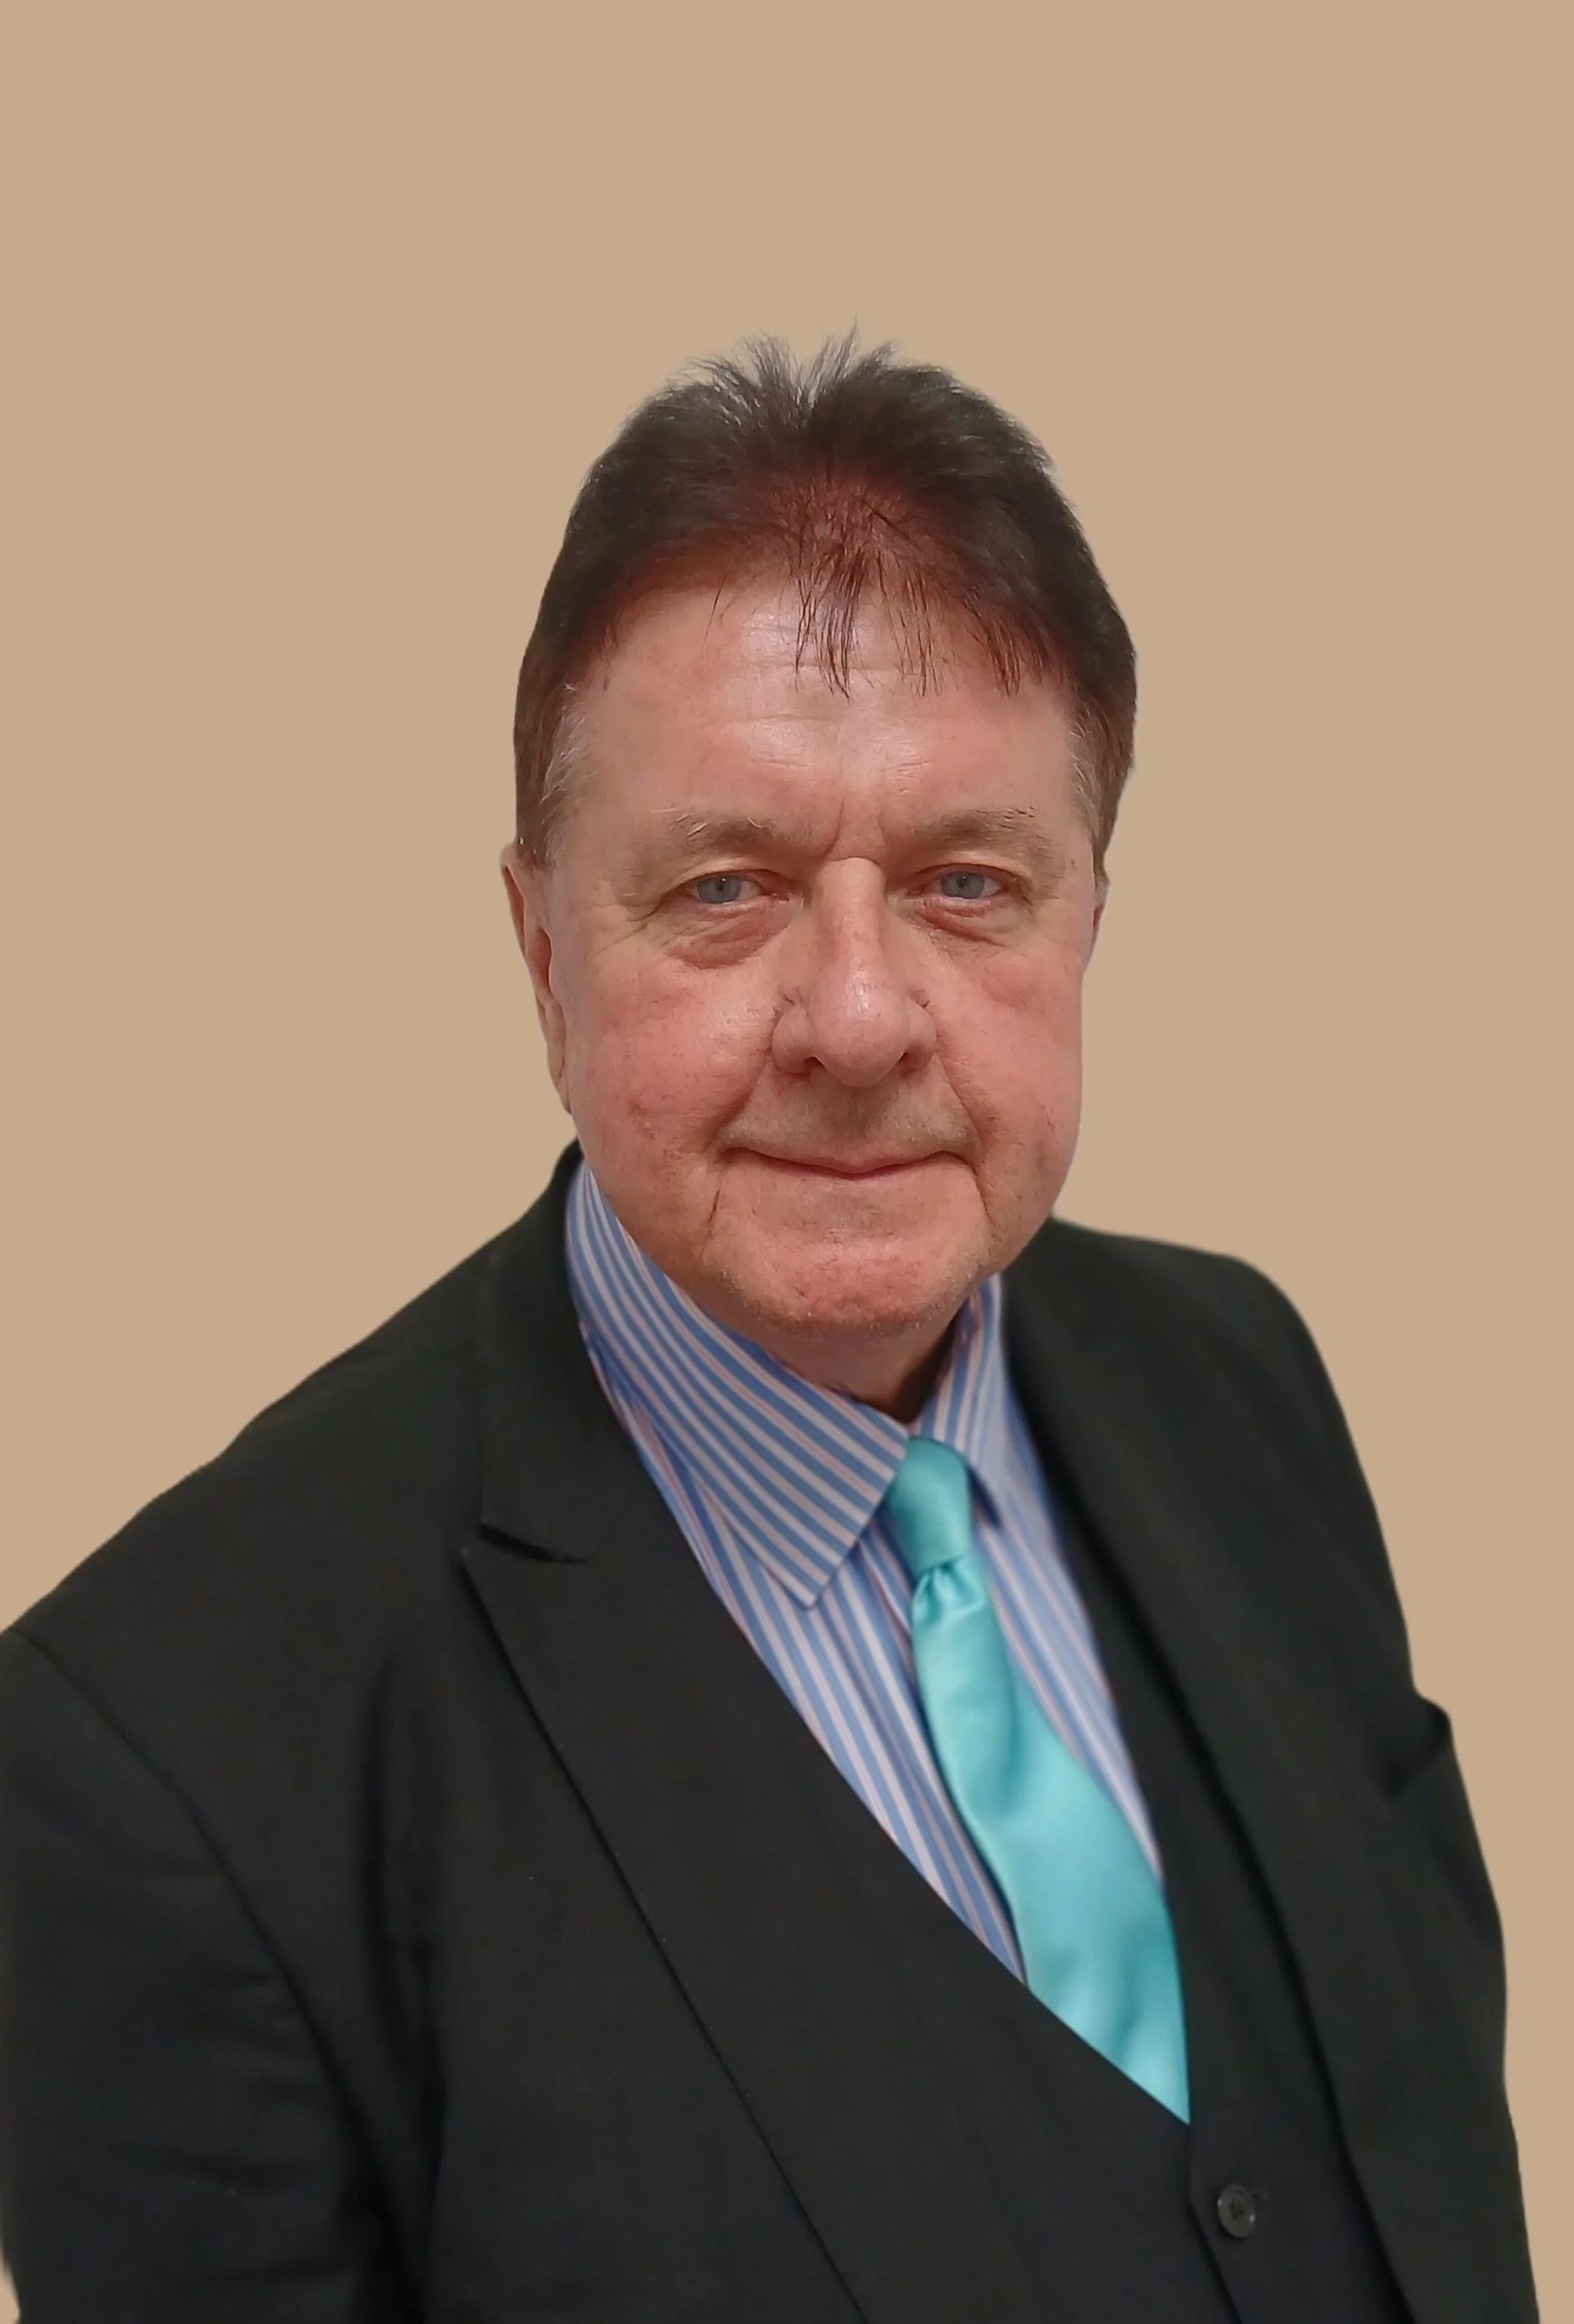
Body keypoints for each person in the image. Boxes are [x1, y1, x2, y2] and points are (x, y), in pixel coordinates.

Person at [0, 337, 1537, 2324]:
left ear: (1089, 919)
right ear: (544, 953)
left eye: (969, 883)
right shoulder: (168, 1771)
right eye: (726, 889)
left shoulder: (1244, 1377)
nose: (861, 1015)